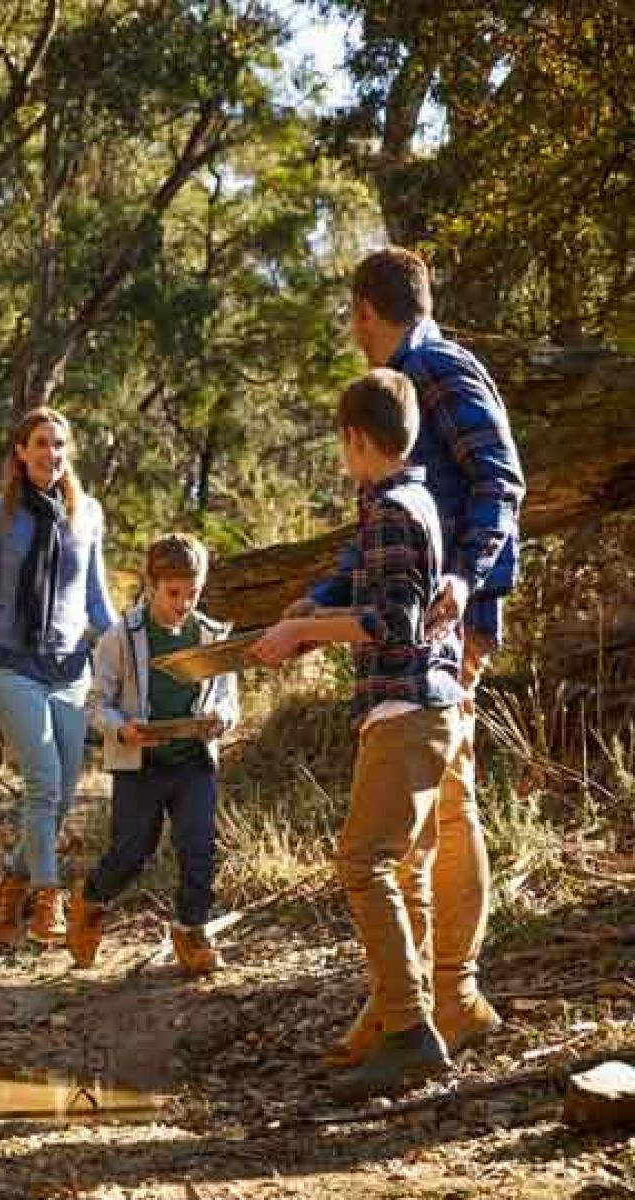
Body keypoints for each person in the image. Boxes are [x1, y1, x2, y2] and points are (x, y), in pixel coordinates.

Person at [291, 248, 526, 1065]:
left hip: (445, 624)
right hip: (420, 615)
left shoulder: (435, 366)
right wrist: (319, 602)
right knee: (436, 815)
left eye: (352, 318)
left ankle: (433, 1003)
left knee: (435, 822)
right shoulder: (401, 386)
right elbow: (378, 543)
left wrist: (467, 584)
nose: (353, 335)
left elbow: (500, 483)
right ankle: (431, 1001)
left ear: (366, 309)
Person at [252, 368, 466, 1099]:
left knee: (362, 863)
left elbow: (393, 628)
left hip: (406, 711)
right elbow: (372, 593)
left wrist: (304, 631)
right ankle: (394, 1019)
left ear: (354, 438)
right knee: (400, 870)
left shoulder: (396, 512)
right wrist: (308, 619)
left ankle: (411, 1031)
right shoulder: (407, 500)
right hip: (423, 709)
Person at [0, 406, 117, 947]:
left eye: (59, 444)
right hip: (12, 664)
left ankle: (11, 881)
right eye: (40, 443)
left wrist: (129, 656)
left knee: (60, 797)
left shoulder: (88, 514)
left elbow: (97, 601)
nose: (51, 454)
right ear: (20, 451)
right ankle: (47, 897)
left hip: (68, 670)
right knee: (42, 781)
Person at [68, 533, 240, 974]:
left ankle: (190, 932)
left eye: (193, 593)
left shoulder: (212, 635)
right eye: (173, 593)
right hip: (139, 765)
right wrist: (121, 728)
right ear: (151, 585)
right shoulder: (121, 637)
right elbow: (94, 703)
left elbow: (228, 701)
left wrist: (220, 719)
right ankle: (89, 902)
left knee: (200, 847)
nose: (183, 603)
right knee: (131, 853)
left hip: (192, 763)